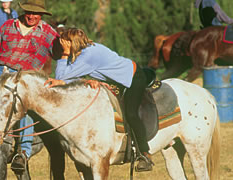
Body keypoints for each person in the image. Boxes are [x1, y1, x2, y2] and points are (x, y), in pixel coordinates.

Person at [44, 28, 154, 172]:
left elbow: (61, 77)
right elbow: (70, 78)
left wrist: (64, 54)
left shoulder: (88, 56)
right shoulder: (85, 51)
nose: (62, 46)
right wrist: (84, 80)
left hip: (133, 78)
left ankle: (145, 153)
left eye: (65, 43)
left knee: (131, 114)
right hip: (118, 81)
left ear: (72, 43)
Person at [0, 0, 61, 171]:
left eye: (36, 13)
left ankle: (23, 152)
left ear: (41, 14)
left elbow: (62, 53)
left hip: (26, 77)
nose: (32, 16)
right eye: (29, 12)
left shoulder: (49, 32)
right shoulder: (7, 26)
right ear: (23, 10)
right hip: (1, 70)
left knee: (24, 101)